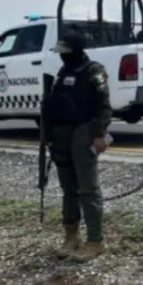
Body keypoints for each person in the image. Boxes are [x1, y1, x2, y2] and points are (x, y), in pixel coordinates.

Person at [45, 31, 113, 263]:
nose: (63, 58)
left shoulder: (94, 71)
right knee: (68, 188)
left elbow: (104, 105)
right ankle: (71, 235)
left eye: (66, 53)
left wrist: (99, 134)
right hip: (62, 134)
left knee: (88, 188)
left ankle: (95, 240)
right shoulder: (63, 73)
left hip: (84, 131)